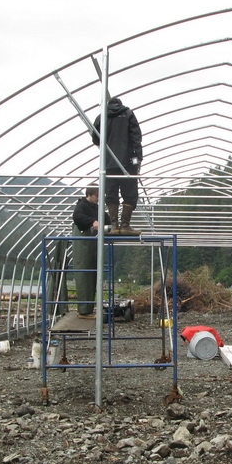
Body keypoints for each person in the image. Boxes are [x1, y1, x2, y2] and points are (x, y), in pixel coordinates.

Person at [92, 97, 143, 235]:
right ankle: (125, 225)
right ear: (120, 104)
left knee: (111, 194)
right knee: (130, 194)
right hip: (127, 163)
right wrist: (138, 158)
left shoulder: (101, 116)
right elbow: (136, 137)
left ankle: (114, 226)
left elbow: (95, 138)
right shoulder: (128, 114)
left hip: (108, 163)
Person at [71, 186, 109, 319]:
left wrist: (111, 226)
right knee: (84, 274)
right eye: (97, 195)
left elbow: (106, 218)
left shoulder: (97, 208)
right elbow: (77, 217)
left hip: (93, 245)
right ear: (90, 194)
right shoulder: (82, 205)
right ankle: (84, 310)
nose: (98, 197)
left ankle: (89, 308)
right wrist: (92, 222)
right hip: (83, 244)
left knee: (93, 275)